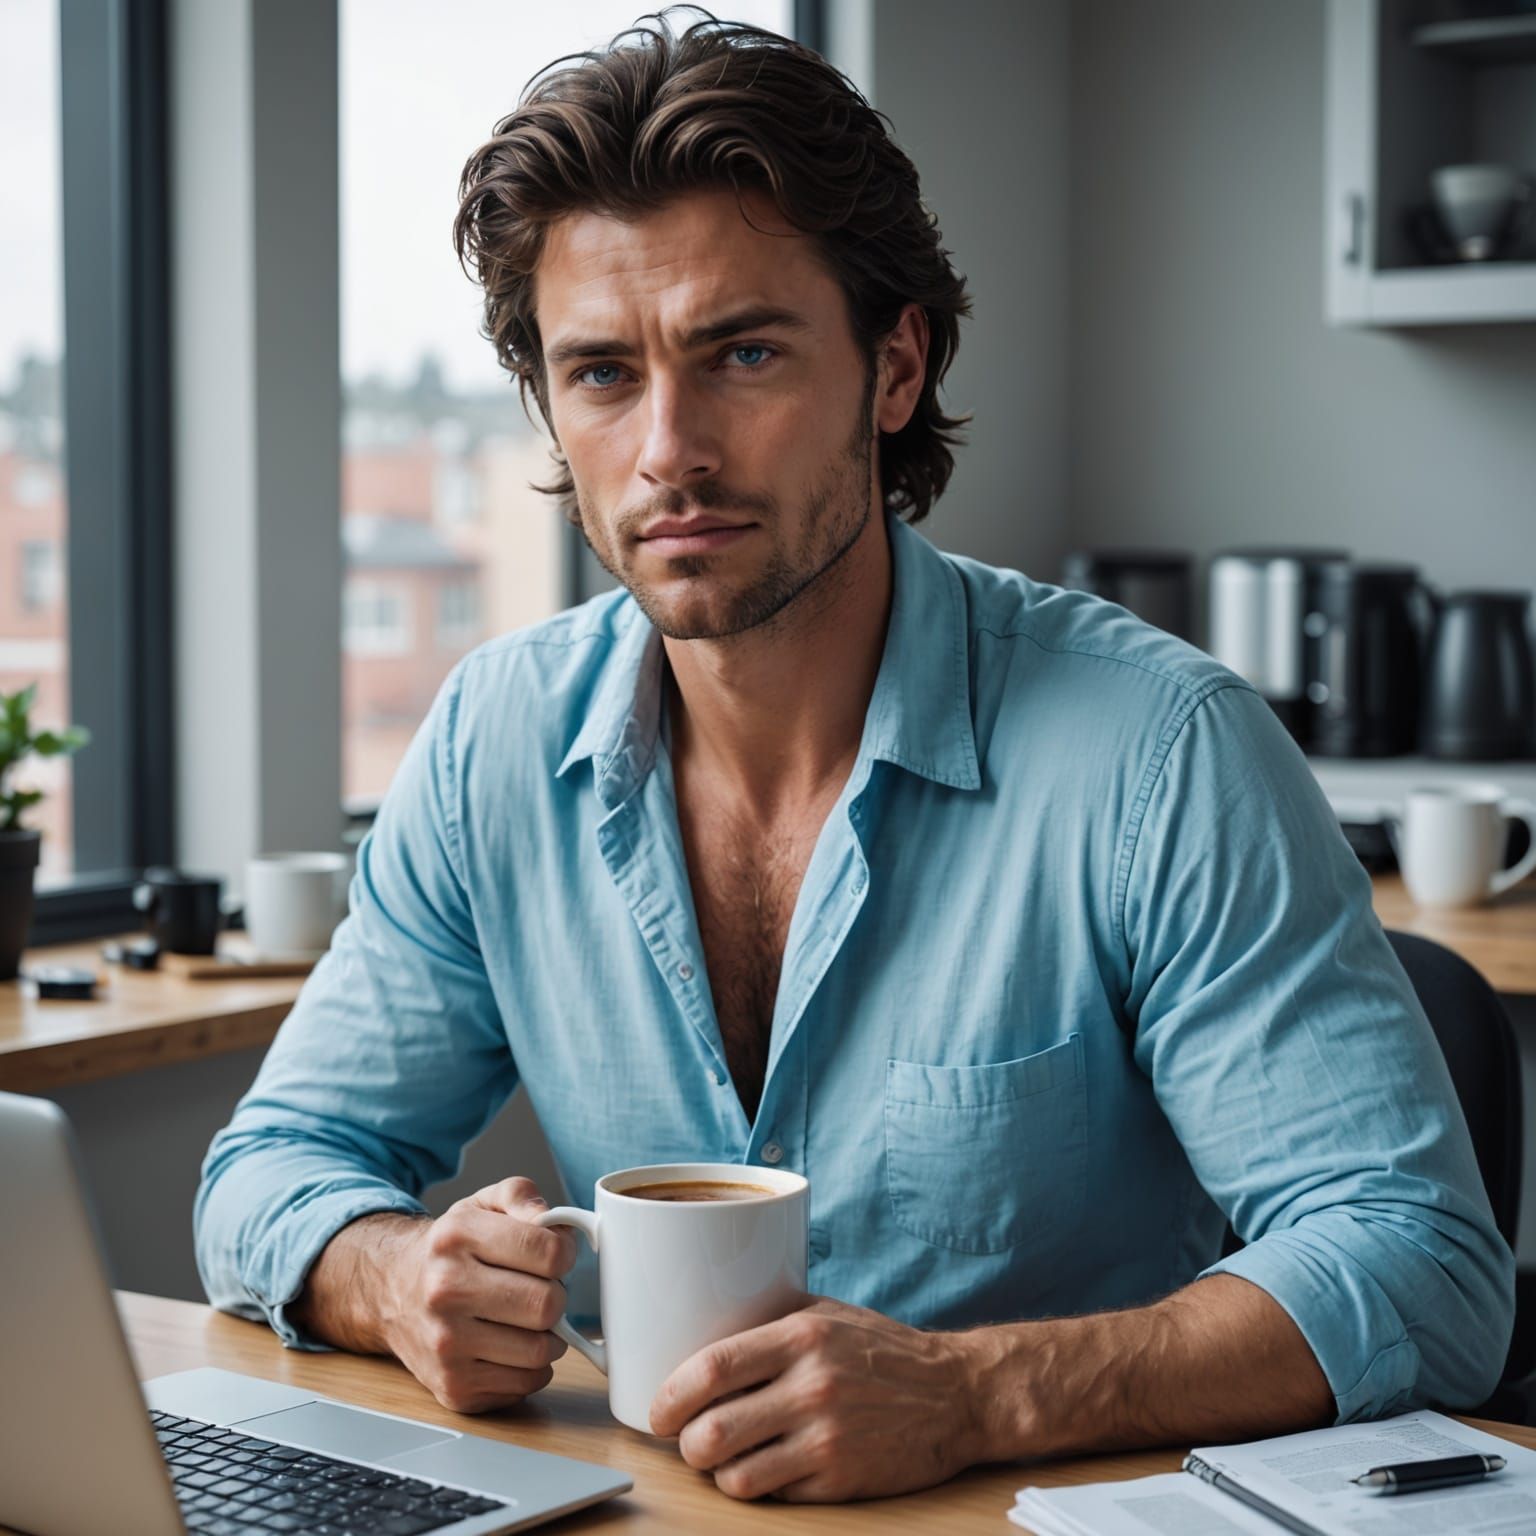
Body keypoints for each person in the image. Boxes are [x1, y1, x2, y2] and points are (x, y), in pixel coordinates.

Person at [196, 10, 1513, 1504]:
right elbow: (270, 1168)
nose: (668, 451)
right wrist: (390, 1280)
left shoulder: (1163, 755)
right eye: (604, 375)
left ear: (894, 369)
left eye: (741, 352)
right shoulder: (495, 741)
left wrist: (975, 1393)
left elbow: (1423, 1267)